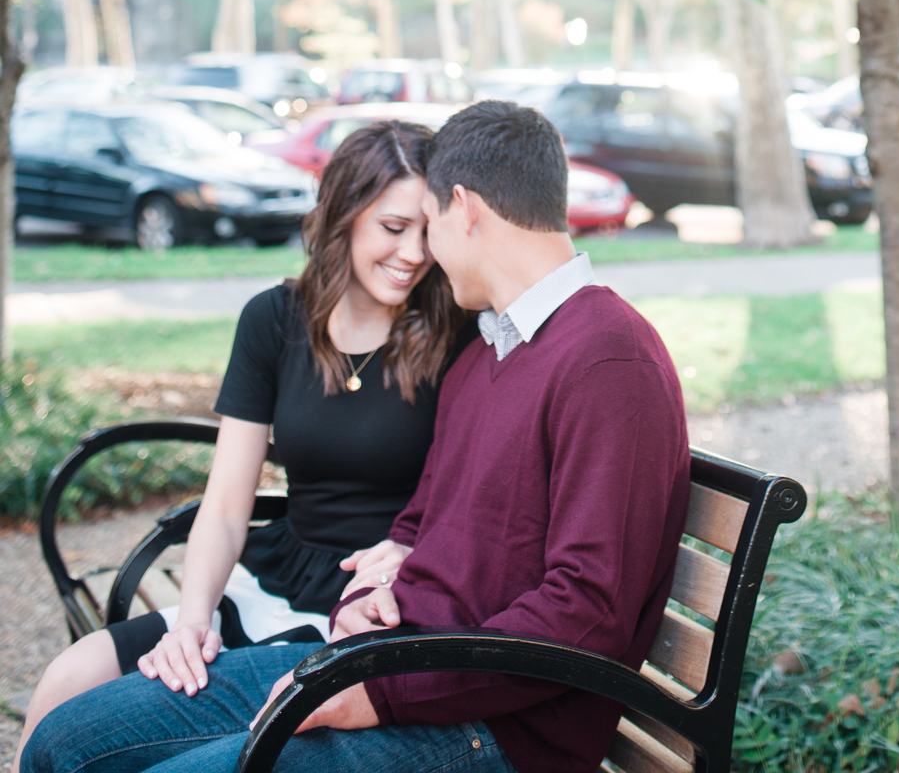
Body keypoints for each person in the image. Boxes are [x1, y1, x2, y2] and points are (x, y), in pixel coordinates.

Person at [24, 99, 691, 773]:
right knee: (64, 742)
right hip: (397, 661)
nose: (423, 252)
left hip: (493, 725)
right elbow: (421, 522)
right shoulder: (493, 349)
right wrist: (376, 595)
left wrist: (378, 691)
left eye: (426, 224)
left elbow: (586, 613)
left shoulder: (608, 360)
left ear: (462, 210)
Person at [17, 119, 465, 771]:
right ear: (343, 216)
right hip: (272, 576)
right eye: (394, 228)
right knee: (68, 676)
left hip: (362, 611)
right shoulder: (275, 320)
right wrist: (192, 621)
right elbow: (228, 503)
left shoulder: (454, 335)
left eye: (428, 230)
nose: (414, 252)